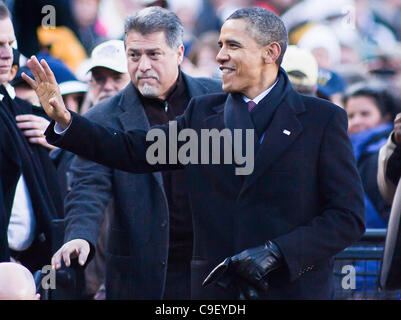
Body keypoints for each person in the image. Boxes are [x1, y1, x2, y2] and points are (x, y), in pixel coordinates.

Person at [26, 7, 365, 300]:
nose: (219, 56)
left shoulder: (322, 119)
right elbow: (131, 151)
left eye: (232, 46)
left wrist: (279, 253)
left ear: (270, 52)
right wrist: (68, 121)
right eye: (219, 46)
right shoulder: (204, 114)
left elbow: (346, 218)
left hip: (293, 290)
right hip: (216, 293)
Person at [49, 7, 220, 300]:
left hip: (212, 271)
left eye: (153, 54)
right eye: (133, 55)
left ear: (179, 53)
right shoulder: (102, 117)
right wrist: (80, 235)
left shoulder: (217, 99)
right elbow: (88, 186)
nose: (142, 66)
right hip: (142, 277)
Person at [0, 2, 63, 271]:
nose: (6, 54)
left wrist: (60, 134)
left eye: (10, 43)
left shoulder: (23, 111)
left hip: (34, 266)